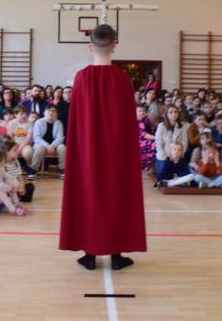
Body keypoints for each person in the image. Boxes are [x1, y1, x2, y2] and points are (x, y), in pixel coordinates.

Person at [60, 24, 146, 271]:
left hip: (87, 149)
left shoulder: (81, 78)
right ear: (115, 47)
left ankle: (89, 254)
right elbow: (128, 123)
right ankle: (116, 254)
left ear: (90, 46)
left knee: (87, 193)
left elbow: (76, 121)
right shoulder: (123, 79)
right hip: (117, 151)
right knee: (117, 194)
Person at [32, 105, 66, 178]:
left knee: (62, 147)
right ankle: (34, 170)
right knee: (40, 148)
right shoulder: (39, 122)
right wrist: (48, 146)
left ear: (56, 114)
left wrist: (52, 145)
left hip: (54, 146)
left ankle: (62, 170)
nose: (51, 112)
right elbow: (36, 138)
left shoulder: (58, 123)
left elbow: (60, 138)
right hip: (41, 145)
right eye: (49, 110)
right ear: (44, 113)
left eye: (53, 111)